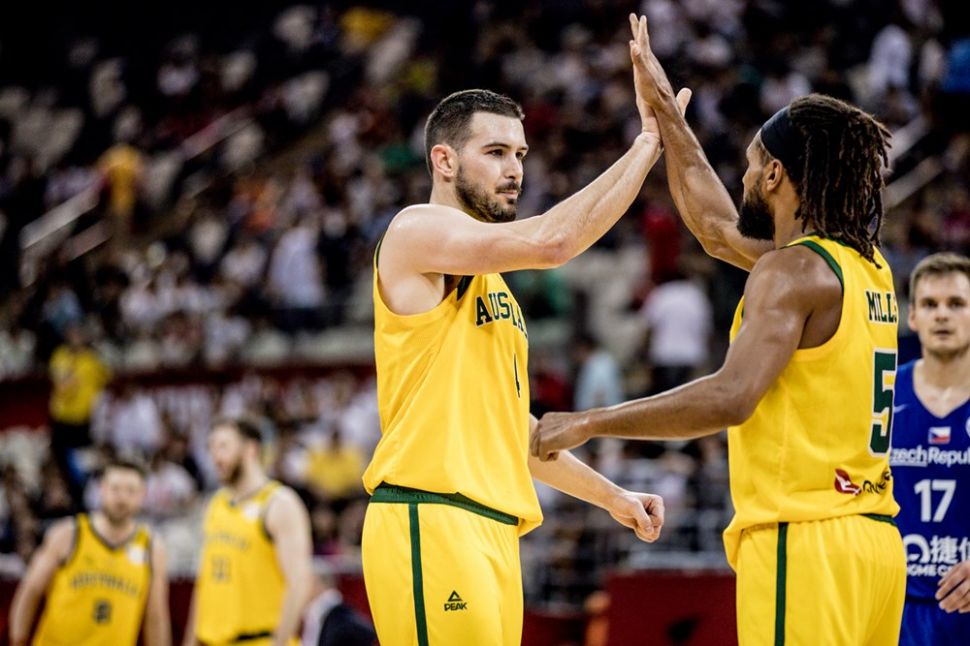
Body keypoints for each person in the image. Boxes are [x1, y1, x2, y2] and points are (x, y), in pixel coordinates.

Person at [532, 15, 905, 645]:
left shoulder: (790, 272)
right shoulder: (864, 267)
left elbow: (731, 397)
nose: (742, 176)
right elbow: (715, 229)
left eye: (752, 164)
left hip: (803, 542)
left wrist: (590, 421)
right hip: (872, 547)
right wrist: (666, 118)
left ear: (775, 176)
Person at [362, 17, 691, 645]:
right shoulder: (414, 230)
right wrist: (648, 143)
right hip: (431, 516)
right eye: (495, 153)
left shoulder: (493, 286)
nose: (514, 169)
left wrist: (613, 497)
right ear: (444, 160)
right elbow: (554, 241)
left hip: (492, 528)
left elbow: (518, 432)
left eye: (519, 155)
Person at [892, 253, 970, 645]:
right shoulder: (881, 397)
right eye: (929, 304)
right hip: (894, 608)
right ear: (912, 317)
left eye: (956, 303)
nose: (942, 315)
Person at [9, 458, 170, 646]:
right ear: (101, 489)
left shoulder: (151, 547)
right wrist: (18, 639)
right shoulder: (69, 534)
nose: (122, 498)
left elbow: (156, 616)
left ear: (143, 494)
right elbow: (30, 591)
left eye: (131, 491)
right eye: (115, 489)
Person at [182, 418, 312, 646]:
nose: (215, 457)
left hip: (260, 638)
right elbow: (205, 582)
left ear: (251, 449)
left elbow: (299, 583)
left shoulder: (279, 503)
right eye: (211, 448)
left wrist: (280, 643)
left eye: (223, 446)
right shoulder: (216, 504)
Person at [48, 323, 110, 504]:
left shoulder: (91, 360)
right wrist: (73, 367)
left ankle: (87, 498)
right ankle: (70, 498)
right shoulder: (60, 356)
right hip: (63, 420)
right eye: (73, 335)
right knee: (64, 464)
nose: (76, 339)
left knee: (86, 464)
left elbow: (106, 378)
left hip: (84, 422)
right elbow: (63, 386)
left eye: (79, 335)